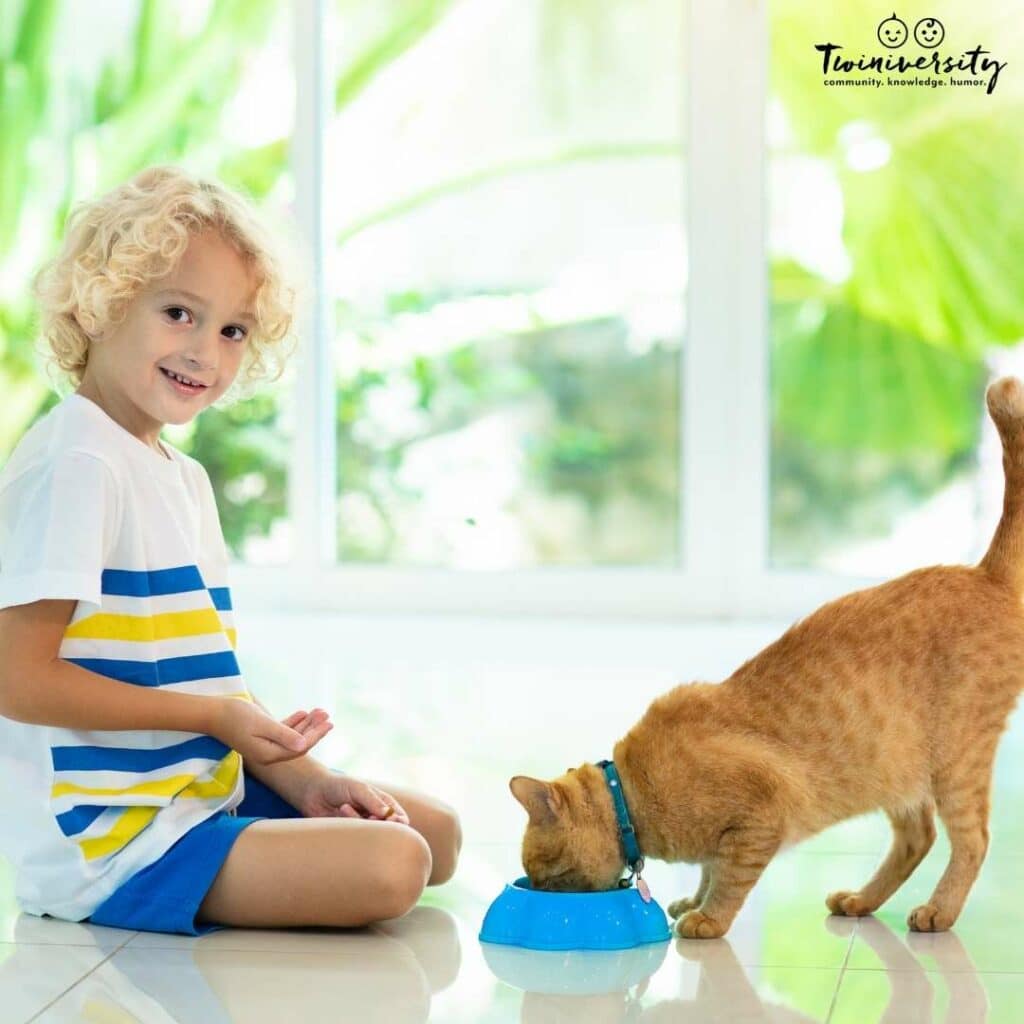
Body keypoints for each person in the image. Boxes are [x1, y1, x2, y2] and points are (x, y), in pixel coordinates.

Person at [0, 165, 461, 936]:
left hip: (194, 791)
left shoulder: (182, 478)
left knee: (436, 834)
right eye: (179, 312)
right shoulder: (78, 462)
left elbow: (208, 677)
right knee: (396, 863)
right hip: (115, 843)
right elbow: (17, 680)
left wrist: (307, 778)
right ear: (103, 303)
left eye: (232, 330)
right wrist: (215, 720)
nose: (205, 353)